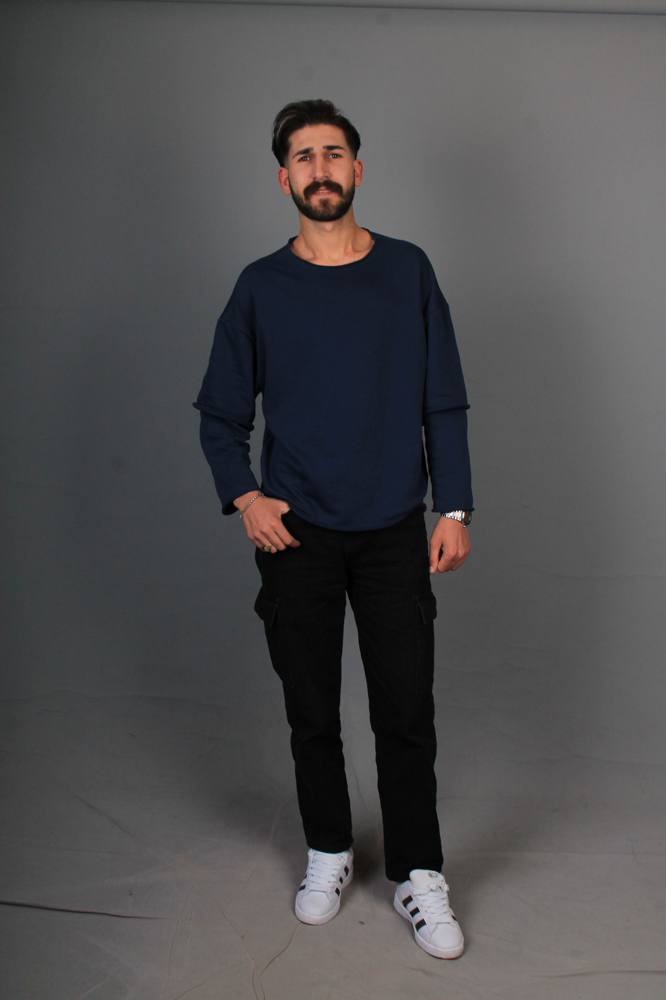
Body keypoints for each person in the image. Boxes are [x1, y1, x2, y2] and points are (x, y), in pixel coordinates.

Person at [194, 100, 473, 960]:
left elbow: (443, 399)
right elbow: (220, 415)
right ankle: (328, 848)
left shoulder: (408, 271)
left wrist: (454, 506)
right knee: (311, 710)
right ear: (284, 178)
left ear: (358, 168)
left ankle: (419, 871)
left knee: (406, 712)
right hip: (298, 535)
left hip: (394, 530)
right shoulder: (260, 287)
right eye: (304, 156)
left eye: (334, 152)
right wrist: (247, 499)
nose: (321, 168)